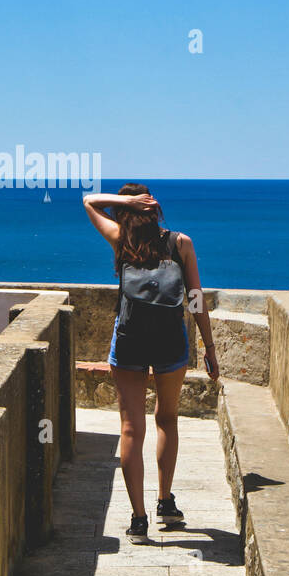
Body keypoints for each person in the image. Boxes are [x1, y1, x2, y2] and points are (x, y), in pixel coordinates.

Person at [83, 183, 220, 544]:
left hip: (129, 341)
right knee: (167, 419)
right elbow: (195, 300)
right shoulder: (180, 244)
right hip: (170, 341)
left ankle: (138, 520)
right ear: (154, 207)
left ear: (126, 212)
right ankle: (165, 502)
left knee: (130, 429)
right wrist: (209, 345)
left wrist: (123, 202)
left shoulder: (119, 239)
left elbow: (88, 201)